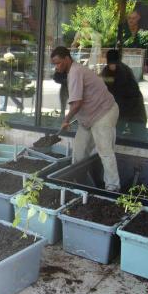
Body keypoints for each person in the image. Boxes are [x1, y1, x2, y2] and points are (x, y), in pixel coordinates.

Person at [51, 46, 120, 192]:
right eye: (54, 64)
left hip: (104, 112)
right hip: (88, 118)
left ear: (67, 58)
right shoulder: (72, 72)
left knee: (105, 150)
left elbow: (77, 104)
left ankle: (113, 188)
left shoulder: (75, 71)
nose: (57, 67)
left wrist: (66, 119)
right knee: (79, 150)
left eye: (58, 63)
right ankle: (79, 185)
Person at [101, 49, 148, 140]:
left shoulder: (122, 71)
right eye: (110, 63)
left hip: (134, 107)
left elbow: (117, 90)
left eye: (113, 63)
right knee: (115, 133)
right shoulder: (107, 71)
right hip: (122, 107)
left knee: (139, 134)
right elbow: (105, 85)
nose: (112, 66)